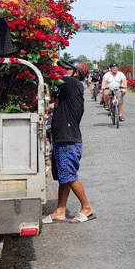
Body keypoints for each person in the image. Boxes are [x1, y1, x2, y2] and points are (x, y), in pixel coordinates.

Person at [43, 59, 95, 223]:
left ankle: (87, 208)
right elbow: (51, 96)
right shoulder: (65, 89)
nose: (62, 71)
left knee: (69, 176)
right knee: (63, 177)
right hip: (62, 138)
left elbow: (53, 81)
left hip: (68, 139)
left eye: (66, 69)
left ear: (76, 72)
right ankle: (60, 210)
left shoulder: (72, 83)